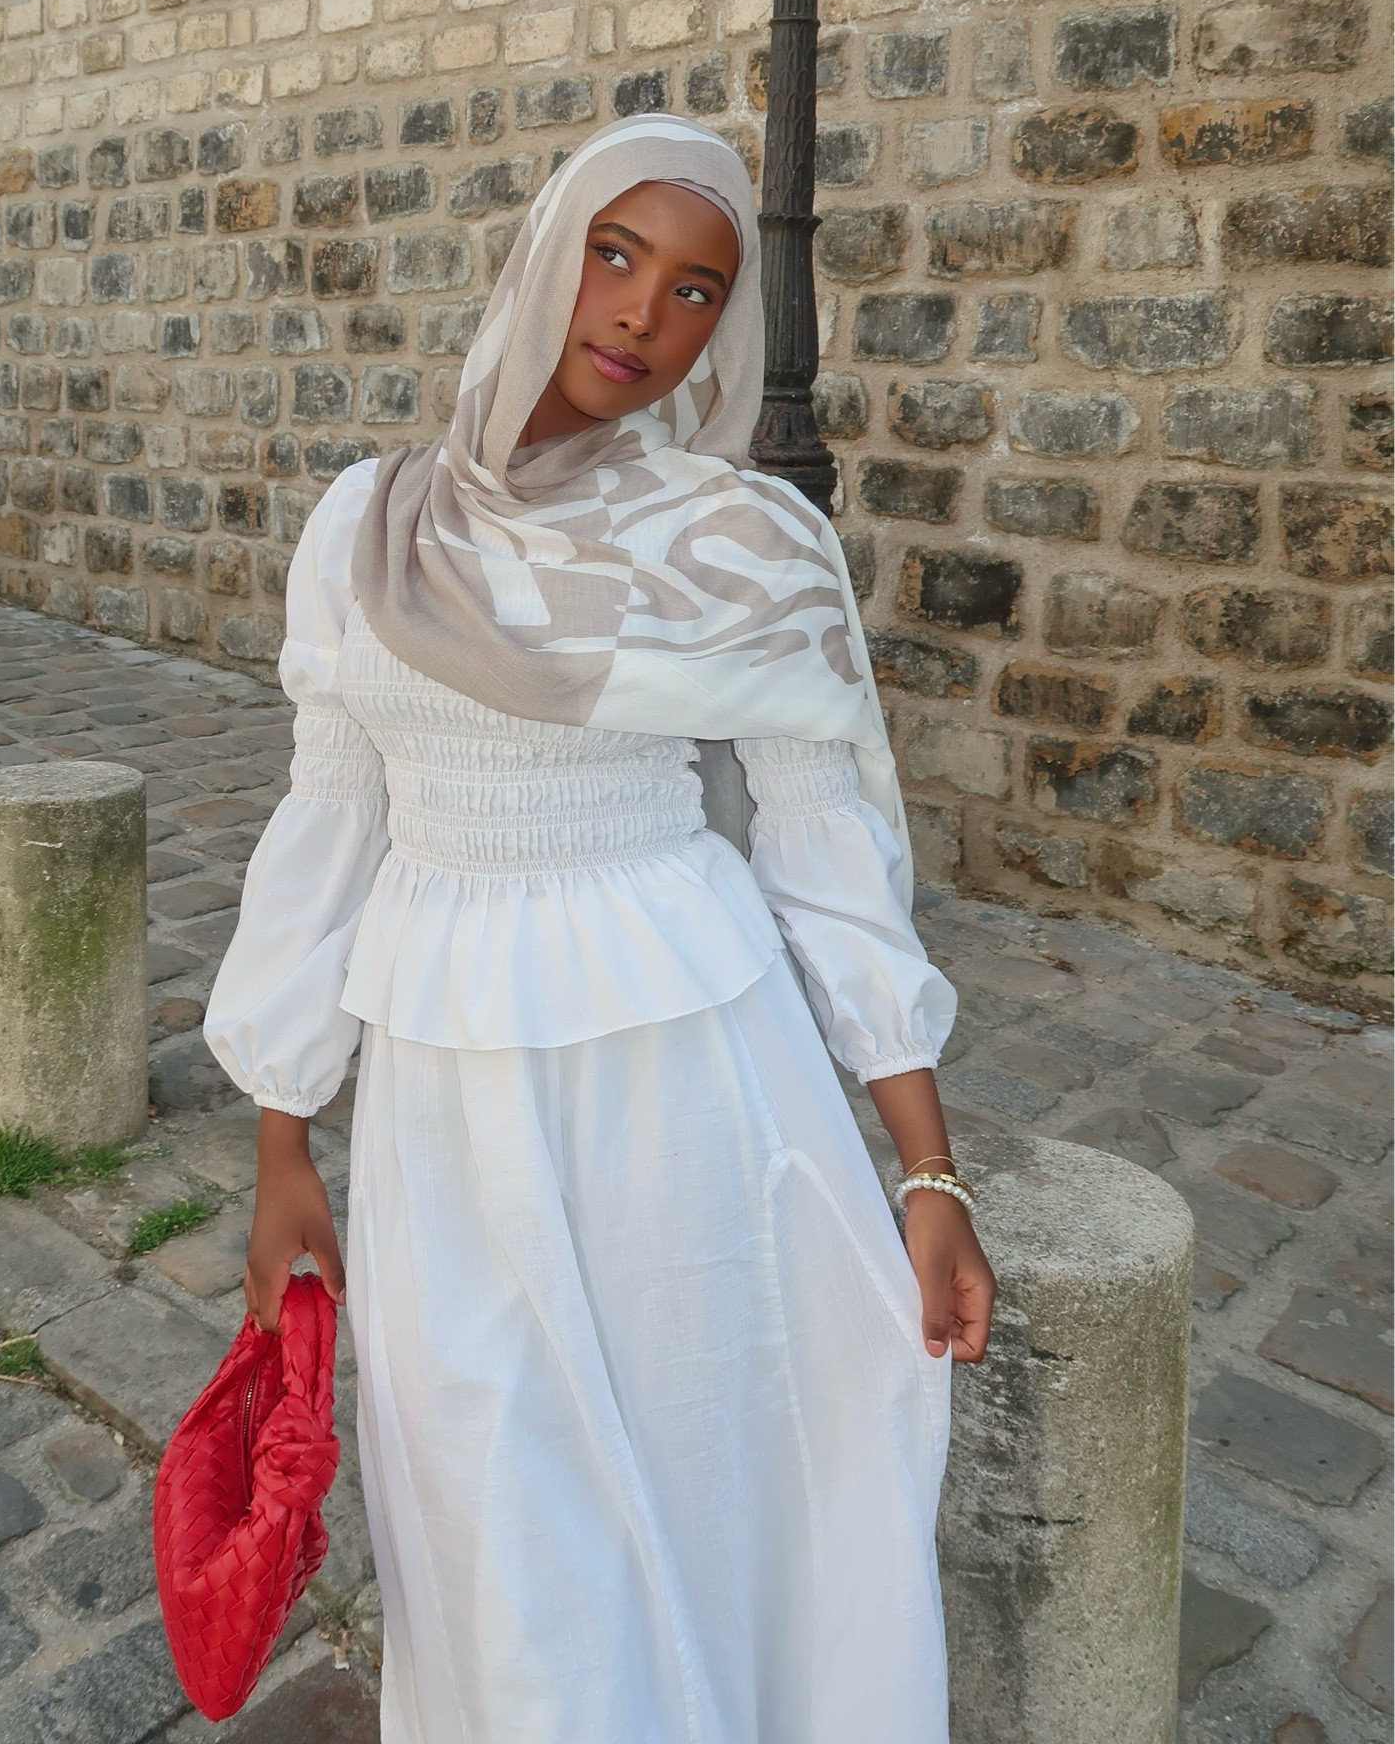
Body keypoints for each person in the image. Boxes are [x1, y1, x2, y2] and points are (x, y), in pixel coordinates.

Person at [204, 113, 995, 1743]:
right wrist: (284, 1138)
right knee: (494, 1518)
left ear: (725, 328)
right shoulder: (364, 527)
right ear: (545, 256)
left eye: (697, 288)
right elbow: (330, 820)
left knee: (722, 1475)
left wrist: (928, 1171)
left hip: (688, 1076)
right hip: (444, 1095)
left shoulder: (742, 543)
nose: (643, 311)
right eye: (615, 255)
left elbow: (825, 846)